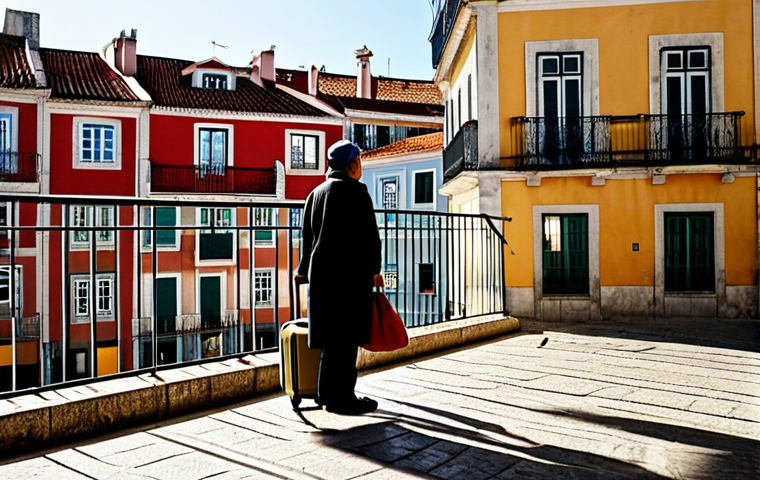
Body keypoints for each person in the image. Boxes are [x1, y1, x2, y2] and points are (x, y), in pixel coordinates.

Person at [294, 139, 384, 415]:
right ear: (352, 164)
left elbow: (306, 238)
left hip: (321, 278)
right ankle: (342, 399)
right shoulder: (357, 191)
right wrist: (374, 270)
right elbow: (370, 236)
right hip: (349, 277)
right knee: (346, 340)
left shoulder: (315, 194)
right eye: (359, 162)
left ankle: (325, 394)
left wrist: (302, 269)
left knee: (330, 340)